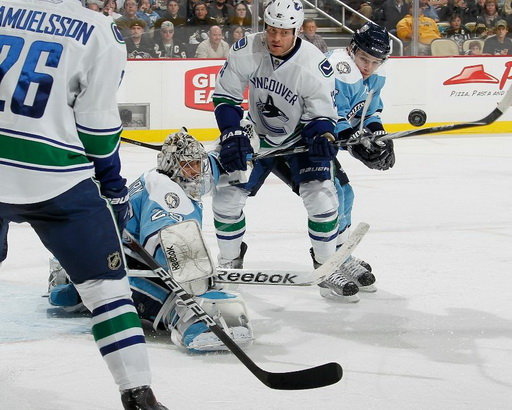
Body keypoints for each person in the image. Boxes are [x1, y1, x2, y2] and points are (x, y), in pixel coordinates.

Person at [0, 0, 167, 408]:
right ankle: (138, 394)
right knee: (107, 290)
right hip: (56, 178)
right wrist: (113, 186)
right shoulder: (98, 30)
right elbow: (96, 125)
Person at [47, 130, 253, 353]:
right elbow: (164, 242)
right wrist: (198, 281)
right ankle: (192, 320)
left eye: (197, 164)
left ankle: (73, 280)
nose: (195, 172)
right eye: (189, 165)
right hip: (117, 259)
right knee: (179, 294)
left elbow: (213, 166)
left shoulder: (175, 176)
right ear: (173, 166)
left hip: (102, 247)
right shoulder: (166, 189)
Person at [210, 0, 360, 303]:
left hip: (298, 138)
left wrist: (321, 135)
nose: (275, 38)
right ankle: (230, 262)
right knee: (226, 195)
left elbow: (322, 115)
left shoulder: (314, 63)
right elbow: (225, 96)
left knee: (322, 198)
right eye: (271, 30)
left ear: (297, 30)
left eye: (284, 31)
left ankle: (326, 266)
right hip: (257, 133)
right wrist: (231, 132)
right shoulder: (246, 49)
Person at [272, 22, 395, 302]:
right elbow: (328, 117)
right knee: (330, 197)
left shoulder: (374, 77)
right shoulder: (338, 71)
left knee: (345, 195)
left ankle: (340, 257)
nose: (369, 67)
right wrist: (355, 142)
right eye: (364, 59)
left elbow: (368, 113)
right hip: (296, 142)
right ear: (351, 49)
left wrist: (378, 137)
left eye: (376, 62)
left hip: (319, 144)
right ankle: (325, 267)